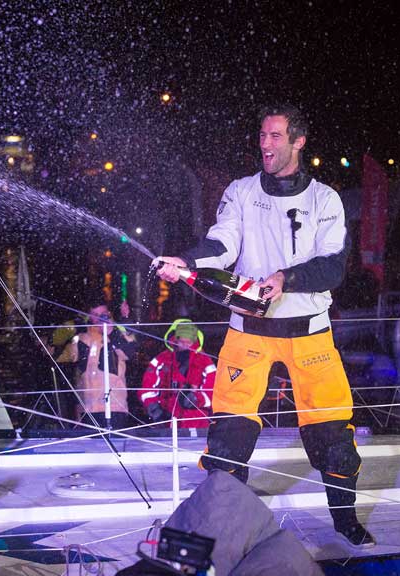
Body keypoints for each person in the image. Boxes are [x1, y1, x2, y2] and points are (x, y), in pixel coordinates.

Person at [155, 104, 372, 546]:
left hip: (309, 332)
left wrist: (285, 279)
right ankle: (221, 525)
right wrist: (187, 262)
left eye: (275, 137)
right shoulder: (240, 191)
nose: (265, 144)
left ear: (298, 141)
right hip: (248, 331)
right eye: (262, 136)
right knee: (228, 437)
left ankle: (345, 520)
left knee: (332, 431)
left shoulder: (325, 199)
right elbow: (223, 242)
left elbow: (333, 267)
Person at [59, 295, 137, 429]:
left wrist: (112, 331)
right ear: (89, 316)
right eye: (95, 315)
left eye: (103, 314)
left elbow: (129, 353)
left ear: (109, 314)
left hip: (115, 406)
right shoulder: (81, 338)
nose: (100, 318)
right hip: (87, 408)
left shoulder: (119, 333)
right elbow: (60, 357)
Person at [139, 319, 216, 428]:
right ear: (176, 340)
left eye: (188, 342)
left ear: (194, 341)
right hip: (167, 420)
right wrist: (154, 408)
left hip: (197, 422)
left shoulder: (205, 362)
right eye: (182, 341)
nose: (185, 345)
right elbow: (147, 387)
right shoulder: (162, 359)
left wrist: (196, 399)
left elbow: (214, 393)